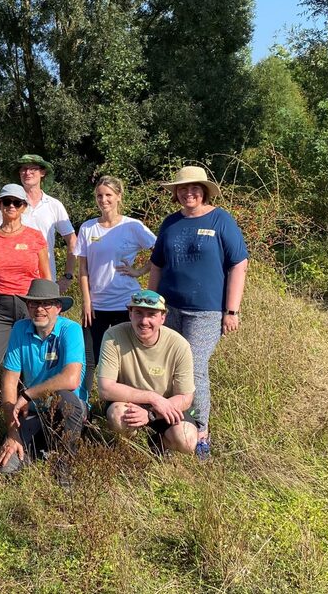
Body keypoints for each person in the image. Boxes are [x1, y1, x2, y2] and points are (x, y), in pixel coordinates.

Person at [148, 165, 248, 461]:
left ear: (204, 191)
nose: (188, 193)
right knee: (167, 365)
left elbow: (238, 265)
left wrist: (231, 310)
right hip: (169, 309)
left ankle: (201, 432)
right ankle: (168, 427)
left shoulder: (221, 220)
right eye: (182, 189)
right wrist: (151, 303)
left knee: (193, 366)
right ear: (176, 193)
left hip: (205, 311)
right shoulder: (170, 223)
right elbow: (157, 265)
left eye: (194, 188)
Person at [0, 279, 87, 485]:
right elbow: (9, 382)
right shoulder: (20, 329)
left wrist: (28, 394)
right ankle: (39, 448)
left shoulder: (70, 330)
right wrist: (12, 432)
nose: (39, 309)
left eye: (46, 304)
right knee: (6, 469)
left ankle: (64, 469)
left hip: (70, 409)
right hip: (35, 412)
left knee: (66, 400)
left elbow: (71, 379)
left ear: (58, 307)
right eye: (33, 303)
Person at [0, 184, 49, 416]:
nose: (12, 206)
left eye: (17, 202)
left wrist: (49, 309)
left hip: (31, 306)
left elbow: (46, 276)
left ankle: (28, 421)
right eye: (7, 202)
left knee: (30, 367)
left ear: (24, 206)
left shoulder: (35, 237)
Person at [74, 175, 156, 380]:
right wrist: (86, 301)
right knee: (88, 359)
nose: (104, 200)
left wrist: (139, 271)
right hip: (95, 306)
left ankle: (122, 405)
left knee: (125, 360)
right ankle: (83, 408)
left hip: (125, 303)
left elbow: (160, 252)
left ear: (119, 196)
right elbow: (83, 268)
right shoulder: (87, 227)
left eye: (109, 195)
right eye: (99, 196)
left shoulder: (132, 226)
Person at [97, 290, 198, 455]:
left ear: (162, 318)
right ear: (130, 314)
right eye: (138, 313)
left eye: (151, 314)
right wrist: (152, 397)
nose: (144, 321)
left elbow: (186, 397)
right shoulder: (113, 336)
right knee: (118, 416)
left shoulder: (179, 345)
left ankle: (158, 444)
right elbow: (105, 388)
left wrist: (151, 413)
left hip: (165, 406)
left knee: (187, 440)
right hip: (128, 403)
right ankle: (129, 450)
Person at [0, 154, 76, 291]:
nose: (27, 173)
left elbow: (72, 241)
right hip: (8, 285)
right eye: (23, 169)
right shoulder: (7, 205)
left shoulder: (54, 205)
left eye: (32, 169)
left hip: (44, 282)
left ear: (43, 172)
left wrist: (68, 276)